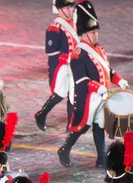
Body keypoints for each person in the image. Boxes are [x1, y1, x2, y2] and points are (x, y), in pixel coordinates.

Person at [57, 1, 129, 168]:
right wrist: (98, 88)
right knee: (81, 127)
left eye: (96, 32)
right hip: (88, 97)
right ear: (84, 34)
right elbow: (81, 79)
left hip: (101, 96)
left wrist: (119, 80)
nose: (96, 35)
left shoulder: (100, 49)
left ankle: (101, 158)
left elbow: (108, 71)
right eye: (93, 32)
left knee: (99, 125)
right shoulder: (78, 53)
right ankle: (65, 149)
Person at [35, 0, 78, 132]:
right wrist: (68, 57)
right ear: (60, 9)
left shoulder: (73, 22)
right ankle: (41, 114)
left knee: (73, 94)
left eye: (72, 6)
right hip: (61, 67)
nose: (71, 9)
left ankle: (71, 126)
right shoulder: (54, 28)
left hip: (73, 64)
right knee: (59, 95)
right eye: (68, 7)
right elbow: (51, 52)